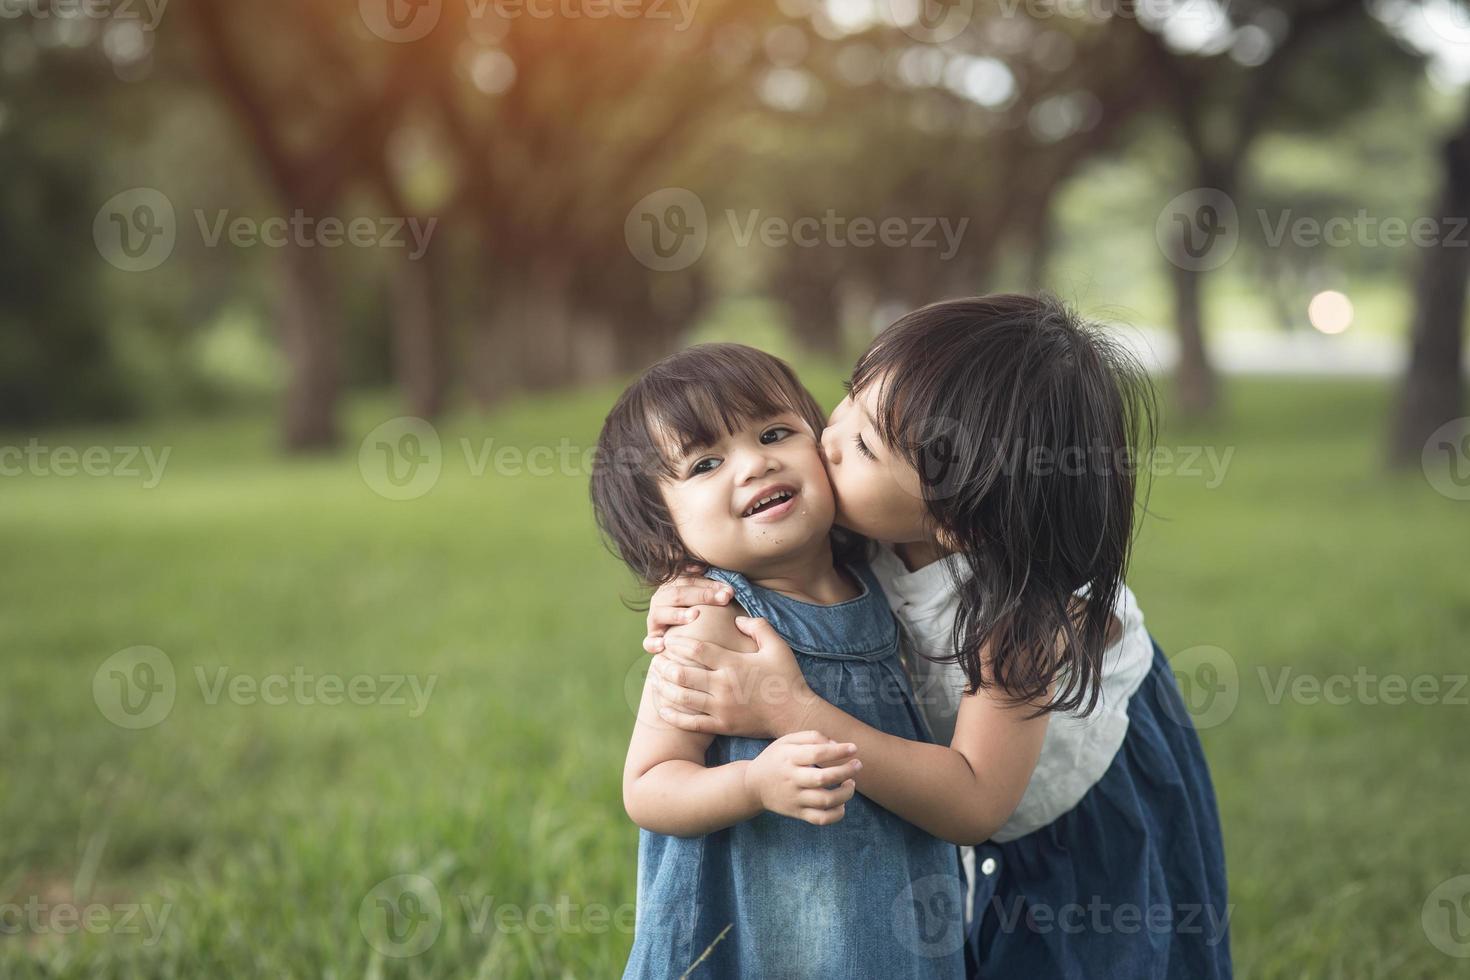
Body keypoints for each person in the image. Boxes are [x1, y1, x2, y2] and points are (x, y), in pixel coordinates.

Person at [643, 295, 1232, 978]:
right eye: (850, 398)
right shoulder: (871, 514)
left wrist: (792, 709)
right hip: (973, 776)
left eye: (864, 445)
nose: (826, 439)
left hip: (1088, 807)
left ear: (956, 522)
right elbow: (757, 536)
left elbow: (974, 802)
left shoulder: (1022, 623)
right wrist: (688, 579)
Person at [591, 342, 967, 979]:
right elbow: (649, 786)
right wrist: (752, 784)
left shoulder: (874, 578)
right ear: (666, 528)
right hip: (762, 921)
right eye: (705, 462)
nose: (755, 464)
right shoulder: (711, 620)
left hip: (886, 895)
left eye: (774, 432)